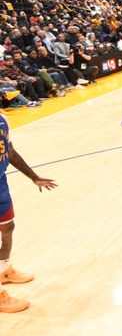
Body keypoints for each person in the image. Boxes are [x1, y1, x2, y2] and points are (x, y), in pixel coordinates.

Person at [0, 113, 57, 312]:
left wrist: (33, 177)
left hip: (1, 184)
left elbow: (11, 152)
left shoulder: (2, 119)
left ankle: (3, 271)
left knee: (8, 228)